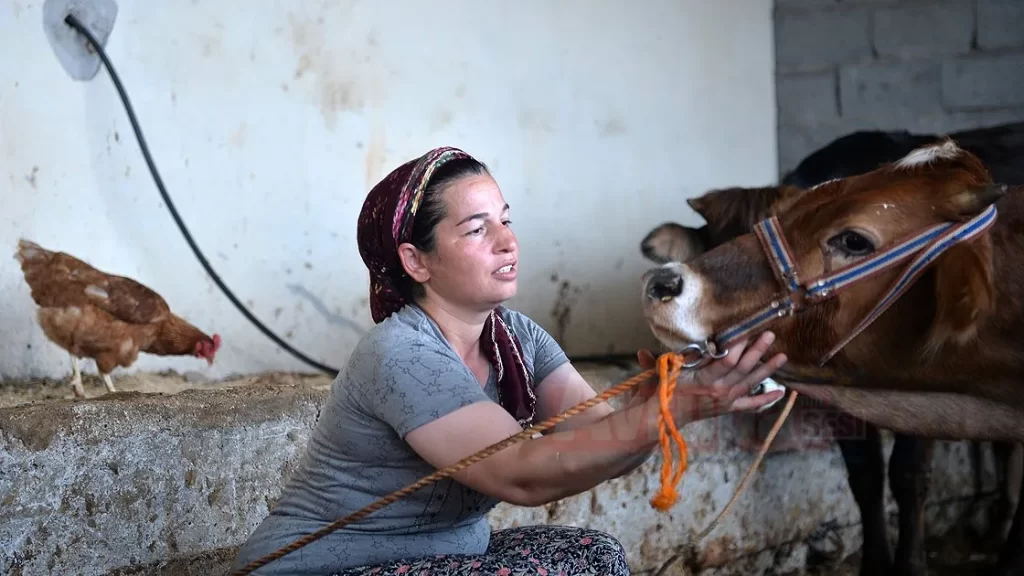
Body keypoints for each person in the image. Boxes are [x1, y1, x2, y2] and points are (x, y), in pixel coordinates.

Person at [229, 147, 787, 576]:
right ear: (415, 261)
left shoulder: (517, 338)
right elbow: (522, 475)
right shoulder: (401, 353)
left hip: (439, 562)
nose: (507, 242)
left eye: (506, 220)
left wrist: (663, 400)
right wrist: (674, 409)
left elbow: (601, 446)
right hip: (325, 569)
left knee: (593, 555)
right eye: (477, 229)